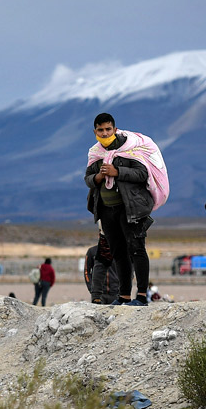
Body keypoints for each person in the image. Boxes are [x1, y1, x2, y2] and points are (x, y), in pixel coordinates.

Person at [84, 113, 155, 306]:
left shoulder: (130, 148)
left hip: (130, 209)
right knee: (118, 253)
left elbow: (142, 174)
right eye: (101, 130)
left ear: (115, 129)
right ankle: (124, 296)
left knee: (137, 250)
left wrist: (118, 172)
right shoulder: (95, 153)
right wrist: (98, 177)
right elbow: (88, 177)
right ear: (95, 132)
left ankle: (141, 296)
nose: (105, 133)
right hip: (107, 211)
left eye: (108, 129)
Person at [84, 229, 120, 305]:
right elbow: (87, 272)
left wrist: (121, 288)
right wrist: (92, 288)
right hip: (99, 294)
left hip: (115, 293)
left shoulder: (117, 251)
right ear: (100, 235)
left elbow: (127, 270)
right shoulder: (92, 251)